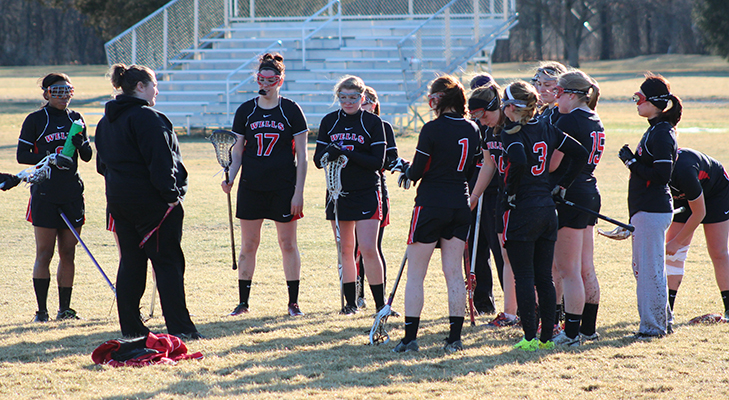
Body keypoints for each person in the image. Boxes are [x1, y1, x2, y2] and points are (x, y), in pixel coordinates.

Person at [95, 63, 201, 339]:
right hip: (153, 204)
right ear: (140, 87)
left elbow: (101, 165)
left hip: (118, 202)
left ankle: (131, 327)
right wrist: (171, 197)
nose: (157, 89)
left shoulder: (106, 121)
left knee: (131, 262)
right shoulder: (149, 118)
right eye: (153, 84)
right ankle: (181, 328)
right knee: (167, 263)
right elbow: (162, 162)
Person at [391, 75, 481, 353]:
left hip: (430, 204)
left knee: (416, 273)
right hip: (459, 203)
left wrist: (404, 169)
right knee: (454, 273)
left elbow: (417, 171)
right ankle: (454, 338)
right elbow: (469, 171)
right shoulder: (473, 129)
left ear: (438, 99)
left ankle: (410, 338)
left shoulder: (431, 128)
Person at [499, 81, 588, 351]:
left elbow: (519, 158)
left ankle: (529, 338)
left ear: (512, 107)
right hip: (548, 209)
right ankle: (547, 338)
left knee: (524, 277)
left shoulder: (511, 131)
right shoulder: (547, 127)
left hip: (524, 210)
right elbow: (581, 153)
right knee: (544, 278)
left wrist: (511, 191)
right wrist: (560, 184)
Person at [222, 53, 308, 317]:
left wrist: (298, 193)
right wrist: (231, 177)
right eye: (261, 78)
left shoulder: (291, 110)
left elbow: (302, 157)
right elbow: (237, 154)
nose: (265, 83)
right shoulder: (245, 110)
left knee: (288, 244)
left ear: (280, 80)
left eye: (271, 79)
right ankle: (243, 303)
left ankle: (293, 302)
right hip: (251, 186)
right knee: (249, 245)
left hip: (283, 187)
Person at [17, 73, 92, 322]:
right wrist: (50, 155)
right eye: (57, 91)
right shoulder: (36, 120)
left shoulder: (77, 118)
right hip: (45, 194)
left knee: (68, 253)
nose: (63, 97)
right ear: (47, 93)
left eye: (67, 91)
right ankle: (41, 311)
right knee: (44, 253)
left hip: (71, 193)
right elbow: (22, 155)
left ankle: (65, 309)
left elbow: (88, 156)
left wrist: (82, 145)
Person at [314, 75, 386, 315]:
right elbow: (317, 160)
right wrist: (329, 152)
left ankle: (379, 304)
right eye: (343, 97)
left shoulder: (373, 123)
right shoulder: (329, 121)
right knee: (345, 249)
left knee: (368, 248)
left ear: (362, 97)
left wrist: (347, 152)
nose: (348, 102)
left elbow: (377, 161)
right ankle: (350, 304)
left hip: (366, 191)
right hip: (337, 193)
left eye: (353, 97)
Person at [618, 73, 681, 339]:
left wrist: (631, 162)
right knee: (647, 268)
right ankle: (662, 321)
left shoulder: (662, 133)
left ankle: (653, 327)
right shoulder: (655, 129)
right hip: (647, 210)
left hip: (652, 210)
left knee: (649, 271)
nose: (636, 103)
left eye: (639, 98)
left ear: (654, 102)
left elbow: (662, 175)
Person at [549, 70, 605, 346]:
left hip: (570, 192)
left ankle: (571, 334)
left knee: (566, 268)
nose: (554, 99)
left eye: (558, 93)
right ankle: (588, 329)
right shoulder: (595, 118)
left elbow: (553, 164)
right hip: (589, 191)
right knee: (585, 267)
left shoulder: (570, 119)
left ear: (571, 94)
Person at [466, 81, 520, 327]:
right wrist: (474, 196)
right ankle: (510, 312)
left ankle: (532, 311)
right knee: (507, 256)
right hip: (500, 199)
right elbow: (489, 165)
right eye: (474, 116)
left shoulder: (515, 126)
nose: (480, 119)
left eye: (482, 114)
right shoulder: (487, 131)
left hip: (522, 199)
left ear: (495, 106)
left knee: (519, 257)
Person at [665, 148, 729, 318]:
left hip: (716, 192)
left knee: (718, 251)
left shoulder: (684, 170)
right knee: (673, 256)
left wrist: (678, 242)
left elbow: (699, 213)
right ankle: (666, 310)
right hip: (687, 193)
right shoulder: (653, 168)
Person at [355, 86, 399, 311]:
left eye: (366, 101)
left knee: (372, 248)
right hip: (349, 191)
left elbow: (391, 158)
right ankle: (356, 296)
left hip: (376, 190)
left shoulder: (382, 127)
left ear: (373, 104)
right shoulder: (348, 124)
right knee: (352, 249)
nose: (362, 105)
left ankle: (380, 300)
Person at [533, 61, 568, 326]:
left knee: (559, 264)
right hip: (544, 191)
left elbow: (556, 160)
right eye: (539, 84)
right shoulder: (544, 113)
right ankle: (548, 315)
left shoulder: (561, 115)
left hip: (559, 191)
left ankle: (557, 318)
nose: (542, 90)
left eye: (548, 85)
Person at [464, 74, 499, 315]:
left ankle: (515, 305)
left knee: (500, 248)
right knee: (474, 248)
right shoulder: (469, 122)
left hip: (496, 190)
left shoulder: (500, 121)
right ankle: (481, 302)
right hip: (473, 187)